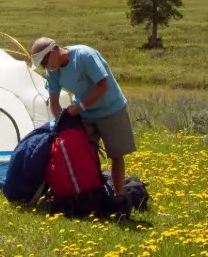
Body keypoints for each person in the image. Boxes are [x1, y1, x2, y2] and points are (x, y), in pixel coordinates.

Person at [30, 37, 135, 197]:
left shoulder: (85, 56)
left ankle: (119, 196)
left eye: (44, 63)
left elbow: (103, 86)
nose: (45, 67)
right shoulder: (52, 72)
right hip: (85, 114)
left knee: (116, 154)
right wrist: (62, 124)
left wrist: (80, 106)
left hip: (111, 108)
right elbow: (54, 103)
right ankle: (94, 192)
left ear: (52, 53)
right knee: (86, 153)